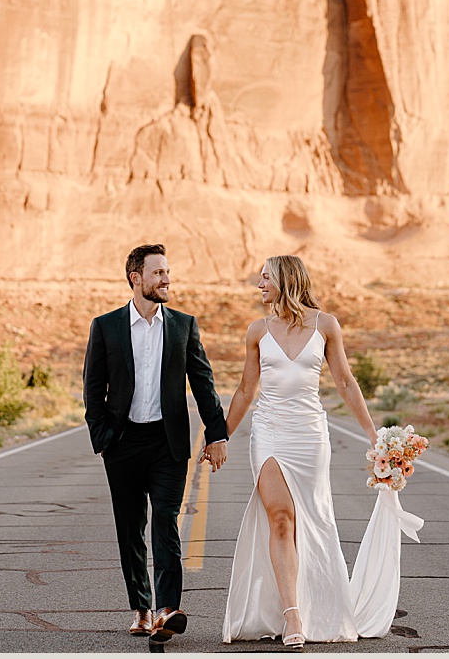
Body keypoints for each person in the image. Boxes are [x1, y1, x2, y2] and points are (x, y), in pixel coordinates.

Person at [220, 254, 378, 647]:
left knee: (315, 519)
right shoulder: (257, 330)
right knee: (280, 519)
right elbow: (245, 390)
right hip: (269, 433)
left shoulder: (326, 325)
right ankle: (291, 615)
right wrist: (219, 435)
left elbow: (345, 382)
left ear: (286, 280)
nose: (259, 285)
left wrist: (373, 435)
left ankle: (320, 607)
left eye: (265, 278)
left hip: (310, 436)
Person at [82, 243, 229, 643]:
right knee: (130, 528)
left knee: (166, 522)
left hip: (168, 444)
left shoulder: (183, 325)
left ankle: (167, 609)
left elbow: (204, 383)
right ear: (137, 279)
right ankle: (142, 608)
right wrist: (102, 438)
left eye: (167, 272)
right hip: (123, 442)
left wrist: (216, 433)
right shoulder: (106, 326)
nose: (167, 279)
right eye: (159, 273)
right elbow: (93, 388)